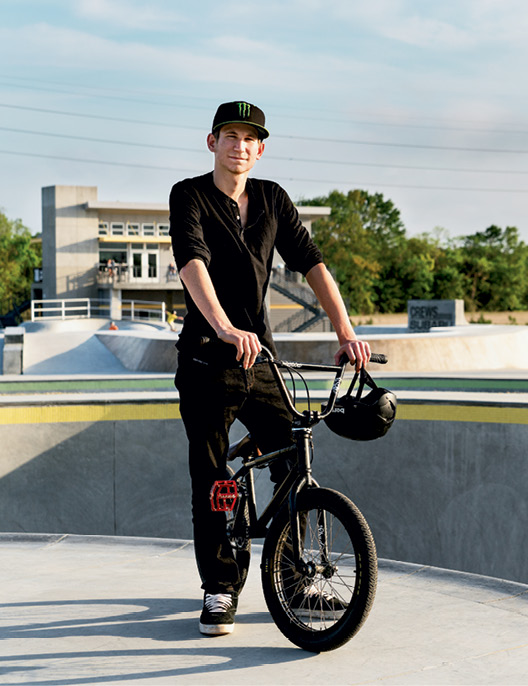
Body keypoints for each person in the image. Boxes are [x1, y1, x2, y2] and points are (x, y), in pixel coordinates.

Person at [169, 100, 370, 638]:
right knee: (211, 476)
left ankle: (292, 575)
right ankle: (219, 586)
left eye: (249, 138)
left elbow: (312, 263)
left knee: (293, 453)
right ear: (212, 142)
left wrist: (346, 331)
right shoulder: (188, 195)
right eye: (229, 135)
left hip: (261, 361)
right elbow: (192, 261)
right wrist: (223, 327)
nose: (240, 146)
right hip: (208, 360)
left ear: (261, 148)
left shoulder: (273, 199)